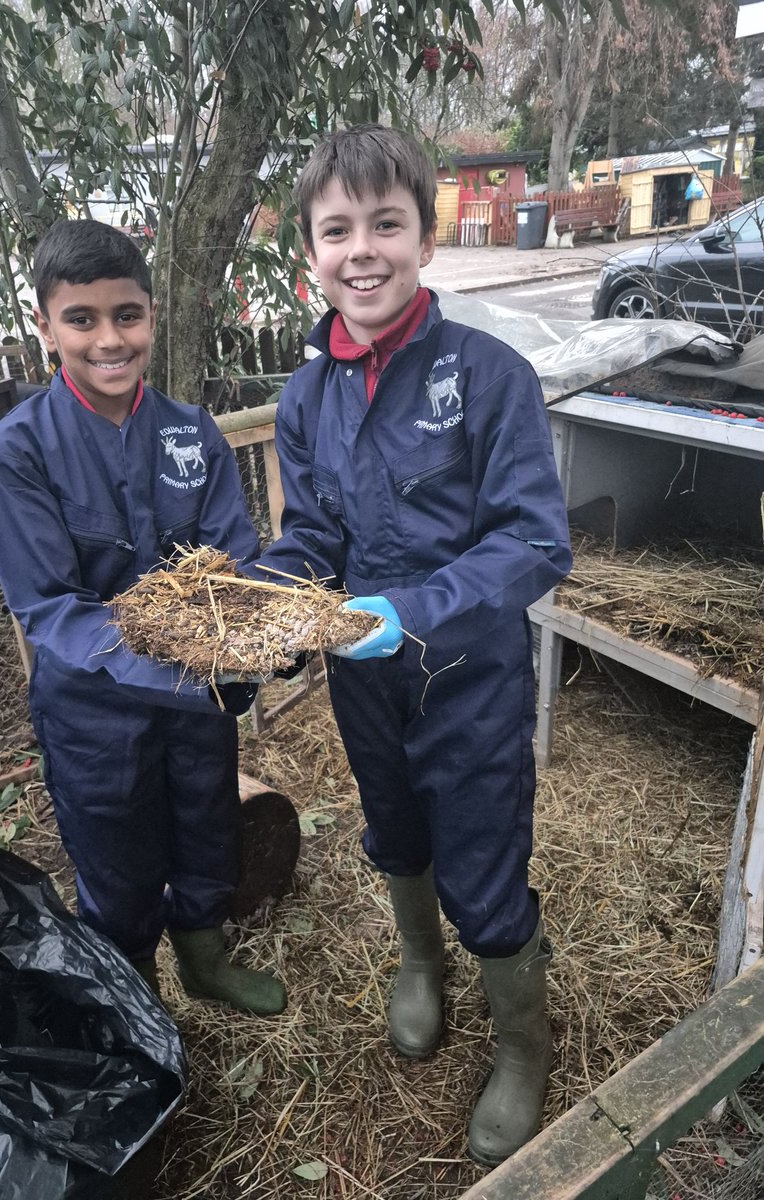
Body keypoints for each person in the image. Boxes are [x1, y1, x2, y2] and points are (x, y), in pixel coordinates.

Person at [252, 125, 572, 1163]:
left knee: (483, 864)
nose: (362, 250)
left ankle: (522, 1047)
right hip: (362, 678)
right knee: (394, 831)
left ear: (423, 239)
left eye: (385, 224)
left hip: (468, 676)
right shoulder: (305, 397)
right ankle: (420, 964)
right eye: (336, 230)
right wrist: (270, 597)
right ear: (310, 254)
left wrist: (420, 609)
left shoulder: (488, 374)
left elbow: (535, 539)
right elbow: (313, 535)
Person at [0, 219, 286, 1017]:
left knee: (207, 832)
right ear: (44, 325)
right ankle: (138, 1008)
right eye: (81, 319)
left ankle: (204, 961)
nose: (108, 339)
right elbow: (52, 606)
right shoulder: (19, 452)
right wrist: (174, 661)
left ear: (151, 316)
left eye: (128, 315)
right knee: (115, 865)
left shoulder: (190, 432)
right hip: (95, 709)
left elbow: (232, 562)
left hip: (200, 702)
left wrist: (270, 634)